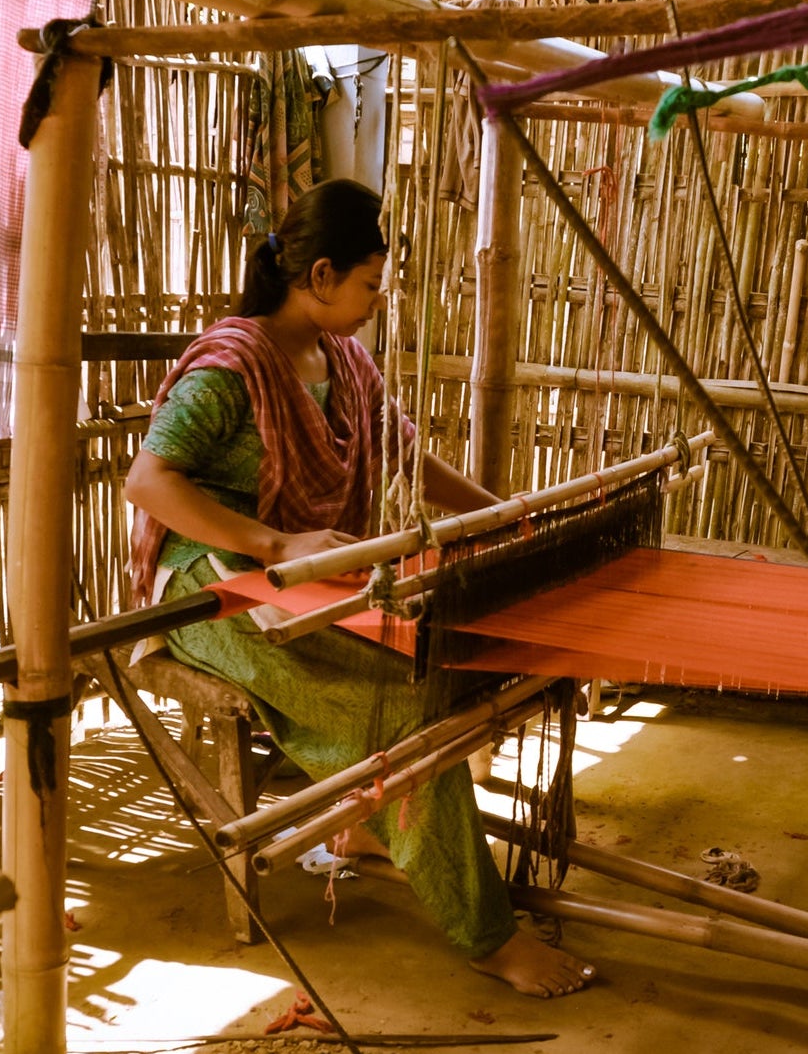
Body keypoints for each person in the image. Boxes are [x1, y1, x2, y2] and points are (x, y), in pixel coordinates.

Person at [124, 178, 594, 998]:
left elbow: (404, 447)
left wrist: (503, 515)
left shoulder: (343, 358)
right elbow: (148, 481)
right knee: (403, 707)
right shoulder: (233, 365)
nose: (378, 301)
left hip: (299, 572)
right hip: (210, 587)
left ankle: (368, 827)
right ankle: (488, 935)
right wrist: (272, 542)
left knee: (444, 659)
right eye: (370, 284)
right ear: (320, 275)